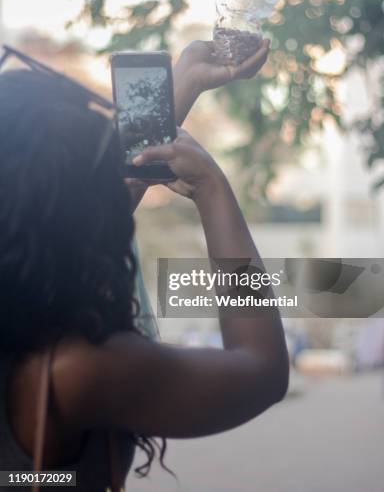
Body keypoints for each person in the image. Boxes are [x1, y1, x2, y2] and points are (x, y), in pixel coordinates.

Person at [0, 40, 288, 491]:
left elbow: (76, 222)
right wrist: (212, 187)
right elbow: (261, 370)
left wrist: (185, 83)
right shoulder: (73, 371)